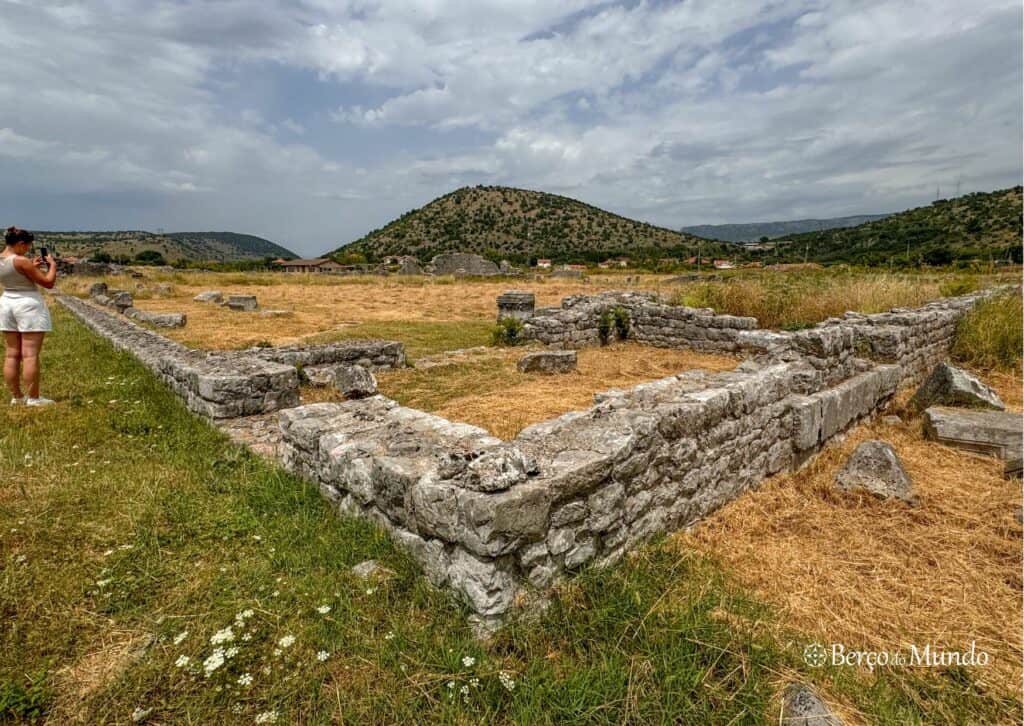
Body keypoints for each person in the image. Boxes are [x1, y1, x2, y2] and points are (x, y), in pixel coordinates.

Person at [1, 226, 56, 406]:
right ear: (20, 244)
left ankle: (17, 397)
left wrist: (30, 267)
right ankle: (33, 398)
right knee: (30, 354)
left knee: (11, 355)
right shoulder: (21, 261)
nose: (27, 250)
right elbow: (48, 283)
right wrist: (52, 266)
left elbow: (13, 277)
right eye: (26, 247)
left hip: (7, 303)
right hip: (27, 305)